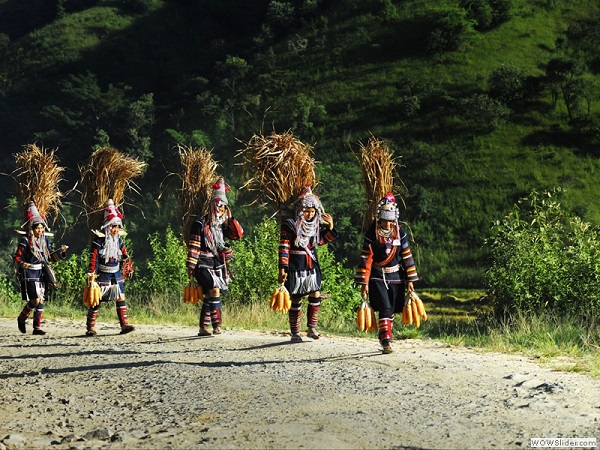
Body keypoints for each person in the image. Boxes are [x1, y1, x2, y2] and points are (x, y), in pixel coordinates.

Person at [355, 193, 418, 354]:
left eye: (391, 220)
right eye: (385, 219)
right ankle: (386, 340)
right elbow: (366, 258)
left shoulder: (400, 232)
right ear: (379, 218)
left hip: (396, 277)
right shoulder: (372, 233)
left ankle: (385, 333)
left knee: (391, 310)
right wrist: (364, 282)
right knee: (384, 306)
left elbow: (406, 255)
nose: (388, 224)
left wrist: (410, 279)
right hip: (377, 277)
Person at [279, 185, 338, 342]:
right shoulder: (290, 225)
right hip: (295, 266)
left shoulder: (316, 225)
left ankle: (312, 328)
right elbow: (284, 246)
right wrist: (283, 267)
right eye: (307, 211)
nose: (310, 214)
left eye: (312, 211)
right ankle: (295, 332)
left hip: (311, 264)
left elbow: (320, 241)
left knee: (315, 293)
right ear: (299, 209)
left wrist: (330, 227)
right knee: (296, 299)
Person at [186, 179, 244, 336]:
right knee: (214, 289)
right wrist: (191, 267)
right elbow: (194, 245)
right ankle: (217, 325)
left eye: (222, 206)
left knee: (208, 294)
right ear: (211, 205)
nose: (219, 209)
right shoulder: (200, 223)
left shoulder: (224, 225)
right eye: (216, 205)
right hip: (202, 264)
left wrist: (231, 219)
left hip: (217, 263)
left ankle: (203, 328)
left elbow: (237, 235)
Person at [14, 202, 68, 335]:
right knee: (35, 300)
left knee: (41, 299)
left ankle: (37, 327)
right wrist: (22, 264)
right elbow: (17, 258)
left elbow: (49, 258)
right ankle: (22, 318)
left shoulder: (45, 241)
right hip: (29, 273)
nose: (40, 230)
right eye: (37, 228)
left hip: (41, 272)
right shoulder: (25, 241)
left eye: (41, 228)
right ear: (32, 229)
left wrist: (60, 252)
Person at [85, 199, 135, 336]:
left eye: (118, 227)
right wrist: (92, 276)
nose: (116, 230)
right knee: (96, 301)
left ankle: (124, 325)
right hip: (102, 275)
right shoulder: (99, 242)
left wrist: (128, 265)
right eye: (113, 227)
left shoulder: (119, 240)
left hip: (116, 274)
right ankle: (90, 327)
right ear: (107, 226)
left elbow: (124, 255)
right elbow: (94, 260)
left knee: (121, 297)